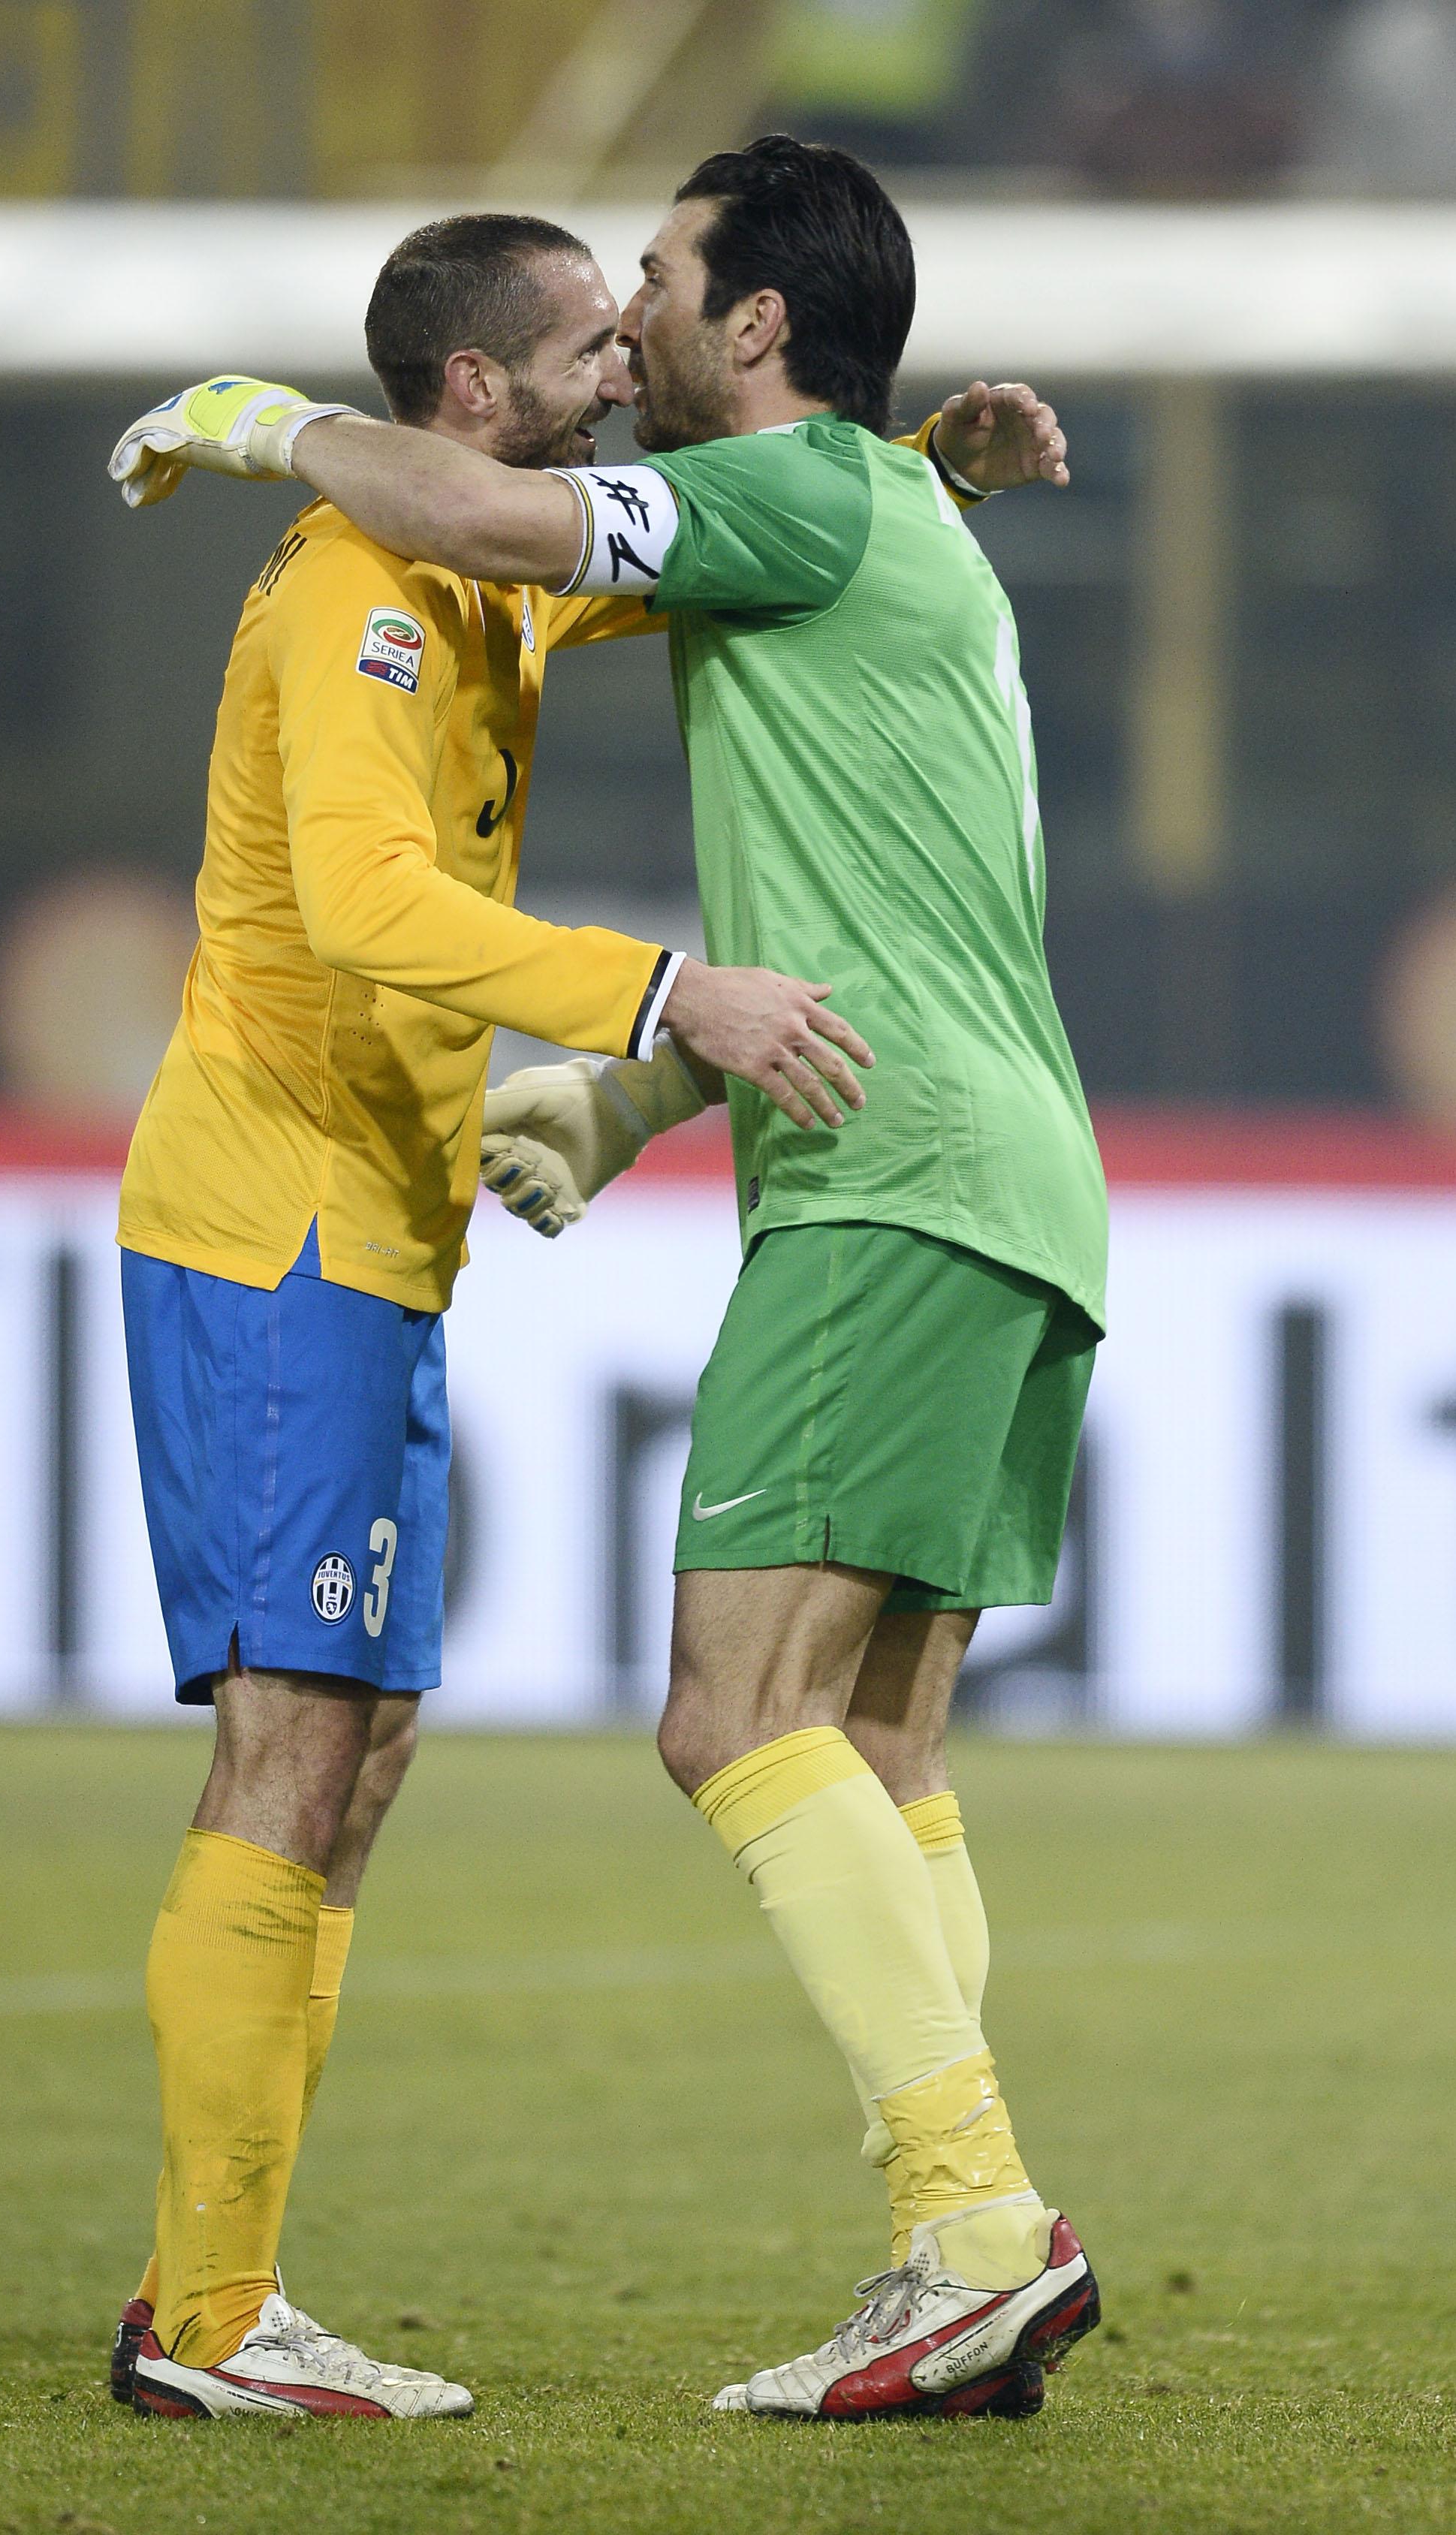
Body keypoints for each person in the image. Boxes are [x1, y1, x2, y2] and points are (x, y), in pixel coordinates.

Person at [124, 135, 1106, 2422]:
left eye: (652, 288)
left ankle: (966, 2230)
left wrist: (248, 411)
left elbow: (516, 527)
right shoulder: (389, 592)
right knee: (434, 1743)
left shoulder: (633, 530)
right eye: (591, 325)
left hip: (870, 1177)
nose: (630, 338)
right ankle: (215, 2311)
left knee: (719, 1722)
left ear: (751, 320)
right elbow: (368, 887)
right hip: (319, 1220)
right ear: (484, 383)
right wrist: (645, 1059)